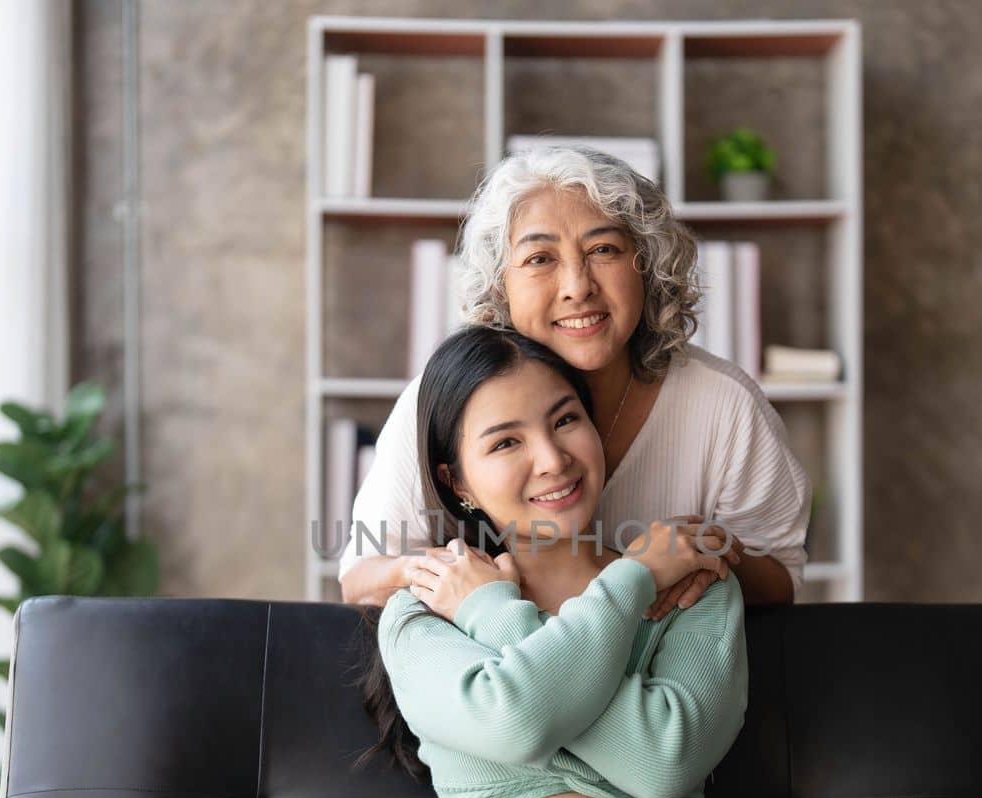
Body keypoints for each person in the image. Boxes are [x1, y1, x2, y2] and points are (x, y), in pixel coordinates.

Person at [356, 325, 785, 798]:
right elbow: (513, 717)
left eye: (564, 419)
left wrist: (507, 624)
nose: (551, 459)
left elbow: (660, 760)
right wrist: (630, 582)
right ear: (456, 479)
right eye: (505, 442)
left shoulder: (694, 589)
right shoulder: (424, 607)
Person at [339, 144, 812, 622]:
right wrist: (457, 575)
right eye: (539, 259)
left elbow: (782, 581)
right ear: (500, 285)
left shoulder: (723, 404)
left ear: (646, 265)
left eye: (603, 250)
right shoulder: (439, 401)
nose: (577, 286)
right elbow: (359, 579)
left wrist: (704, 553)